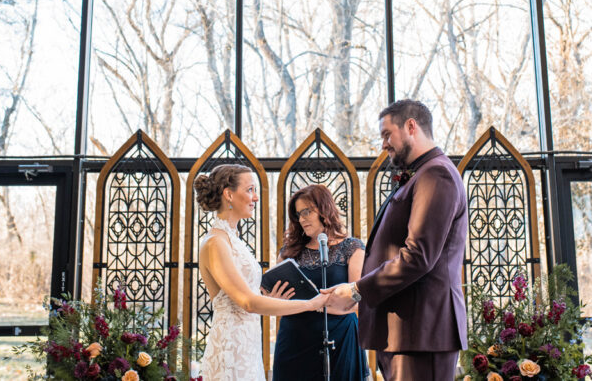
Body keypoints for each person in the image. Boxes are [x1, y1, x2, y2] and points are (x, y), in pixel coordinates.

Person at [324, 100, 468, 381]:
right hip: (406, 332)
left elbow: (418, 256)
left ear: (411, 126)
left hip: (421, 331)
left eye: (387, 134)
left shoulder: (436, 174)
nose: (383, 145)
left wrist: (357, 291)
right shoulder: (421, 175)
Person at [194, 164, 327, 381]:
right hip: (231, 349)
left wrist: (269, 299)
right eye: (250, 190)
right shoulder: (215, 243)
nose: (256, 197)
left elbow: (249, 301)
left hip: (248, 345)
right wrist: (311, 304)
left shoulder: (233, 240)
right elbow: (247, 302)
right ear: (229, 194)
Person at [271, 185, 367, 381]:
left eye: (307, 211)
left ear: (324, 209)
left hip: (341, 338)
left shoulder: (352, 247)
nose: (302, 218)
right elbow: (276, 304)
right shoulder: (289, 252)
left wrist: (316, 306)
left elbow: (359, 298)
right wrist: (274, 300)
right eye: (298, 214)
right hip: (294, 339)